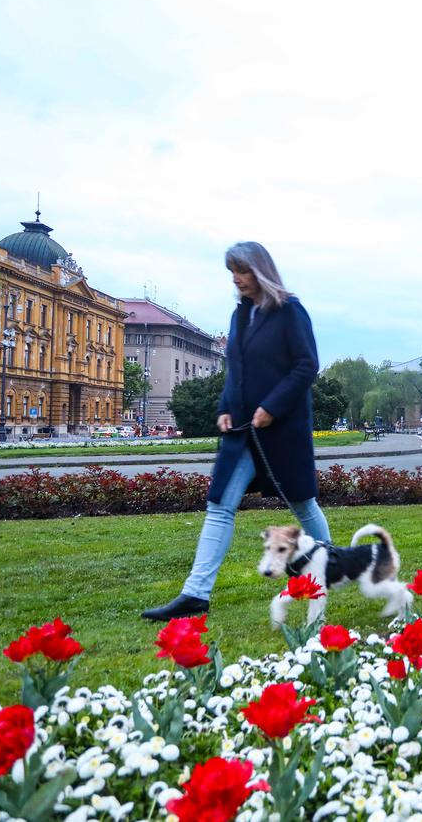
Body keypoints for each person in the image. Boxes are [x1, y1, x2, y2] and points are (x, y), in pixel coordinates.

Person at [142, 241, 329, 621]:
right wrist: (225, 407)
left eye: (241, 271)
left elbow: (307, 366)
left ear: (260, 271)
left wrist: (272, 407)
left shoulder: (290, 311)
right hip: (241, 432)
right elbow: (236, 371)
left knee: (302, 504)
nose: (237, 279)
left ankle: (325, 567)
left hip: (281, 430)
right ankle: (195, 595)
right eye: (232, 272)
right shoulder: (239, 316)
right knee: (219, 506)